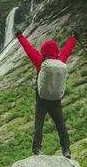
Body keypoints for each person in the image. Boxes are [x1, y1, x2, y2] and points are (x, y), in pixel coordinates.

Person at [15, 30, 79, 158]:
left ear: (44, 50)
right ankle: (66, 150)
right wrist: (74, 38)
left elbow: (28, 48)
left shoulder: (40, 61)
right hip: (56, 99)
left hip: (42, 98)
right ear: (56, 50)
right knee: (61, 125)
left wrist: (20, 36)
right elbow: (68, 49)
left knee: (39, 124)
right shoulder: (61, 60)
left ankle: (37, 149)